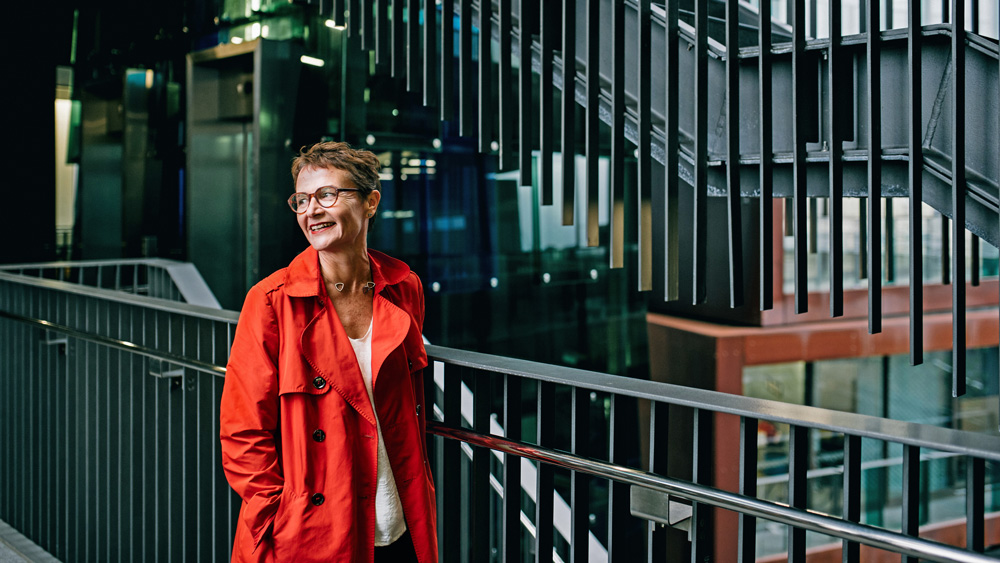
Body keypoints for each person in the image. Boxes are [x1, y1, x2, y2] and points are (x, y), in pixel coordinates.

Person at [220, 141, 437, 563]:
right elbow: (243, 433)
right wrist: (278, 515)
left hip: (400, 521)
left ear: (370, 202)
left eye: (327, 195)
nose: (311, 211)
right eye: (301, 200)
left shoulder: (403, 286)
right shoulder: (271, 301)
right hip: (313, 531)